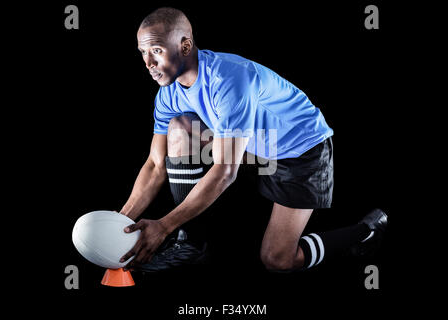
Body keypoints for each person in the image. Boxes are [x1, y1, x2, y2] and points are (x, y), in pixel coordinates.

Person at [119, 7, 387, 273]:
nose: (148, 63)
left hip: (301, 152)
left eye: (156, 50)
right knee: (180, 129)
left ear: (185, 46)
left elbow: (225, 171)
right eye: (142, 52)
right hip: (255, 146)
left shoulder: (228, 79)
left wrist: (164, 226)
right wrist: (118, 223)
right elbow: (155, 166)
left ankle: (367, 230)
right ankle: (191, 244)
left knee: (278, 259)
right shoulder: (168, 94)